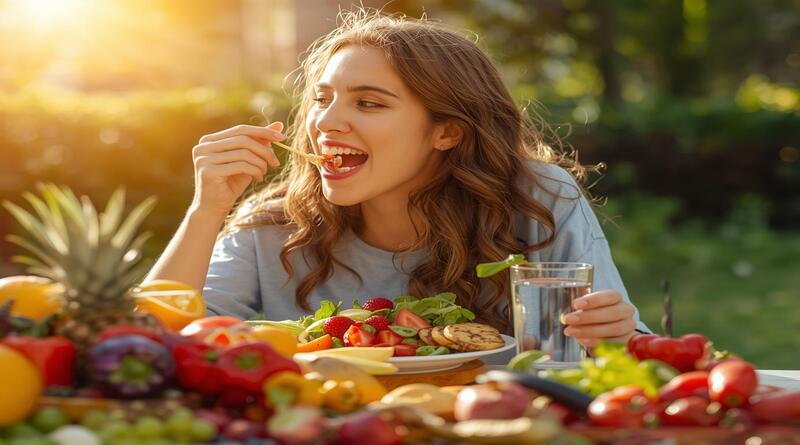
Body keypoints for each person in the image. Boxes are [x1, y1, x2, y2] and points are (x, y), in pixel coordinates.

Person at [146, 10, 650, 350]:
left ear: (446, 132)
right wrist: (205, 211)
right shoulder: (273, 226)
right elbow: (149, 340)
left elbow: (622, 348)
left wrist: (613, 333)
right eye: (322, 99)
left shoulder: (535, 198)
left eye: (368, 103)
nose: (324, 122)